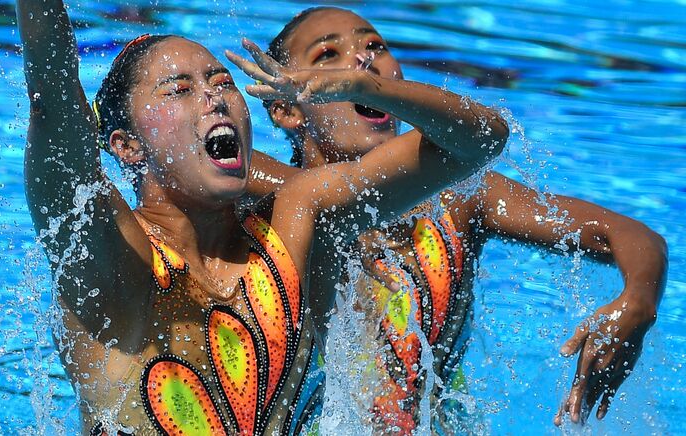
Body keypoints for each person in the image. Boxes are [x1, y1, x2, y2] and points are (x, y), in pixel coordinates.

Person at [16, 1, 506, 434]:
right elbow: (54, 97)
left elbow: (480, 141)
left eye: (222, 82)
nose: (213, 98)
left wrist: (366, 86)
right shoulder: (109, 258)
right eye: (179, 89)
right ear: (125, 146)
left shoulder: (297, 221)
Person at [242, 6, 668, 433]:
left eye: (374, 47)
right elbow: (188, 173)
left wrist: (638, 302)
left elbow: (628, 235)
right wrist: (323, 205)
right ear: (285, 109)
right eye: (326, 55)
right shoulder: (273, 211)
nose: (360, 59)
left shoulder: (458, 201)